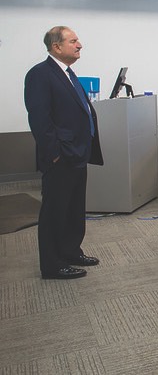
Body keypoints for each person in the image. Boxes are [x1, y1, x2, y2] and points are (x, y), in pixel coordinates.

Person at [24, 26, 104, 279]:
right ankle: (52, 264)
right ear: (57, 47)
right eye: (73, 41)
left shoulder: (68, 74)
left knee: (73, 208)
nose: (79, 45)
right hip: (61, 156)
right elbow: (39, 119)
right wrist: (54, 153)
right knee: (55, 211)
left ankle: (70, 251)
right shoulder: (40, 74)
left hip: (78, 153)